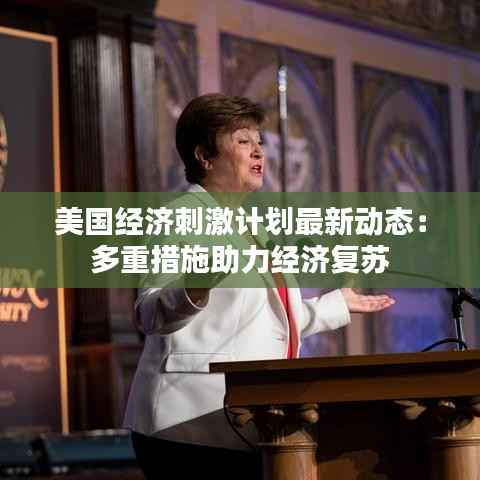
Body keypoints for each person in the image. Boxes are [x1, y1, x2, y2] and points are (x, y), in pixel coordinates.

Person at [124, 94, 395, 479]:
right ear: (204, 156)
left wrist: (336, 305)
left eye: (259, 141)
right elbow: (147, 313)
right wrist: (193, 289)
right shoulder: (179, 217)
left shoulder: (251, 227)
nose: (258, 152)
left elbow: (264, 321)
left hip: (243, 418)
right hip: (185, 423)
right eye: (243, 141)